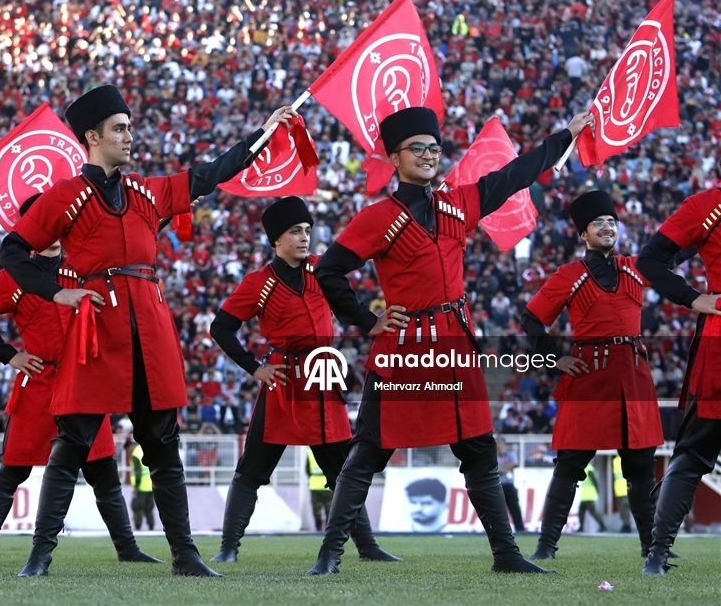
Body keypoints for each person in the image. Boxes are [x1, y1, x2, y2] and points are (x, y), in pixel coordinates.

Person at [0, 84, 295, 577]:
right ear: (92, 136)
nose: (129, 136)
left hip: (149, 331)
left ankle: (186, 556)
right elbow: (12, 251)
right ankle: (38, 558)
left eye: (130, 127)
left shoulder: (146, 191)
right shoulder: (64, 196)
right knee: (71, 445)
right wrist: (57, 293)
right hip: (96, 330)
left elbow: (210, 173)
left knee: (163, 447)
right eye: (119, 129)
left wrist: (263, 135)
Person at [306, 107, 593, 576]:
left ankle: (506, 555)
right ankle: (329, 556)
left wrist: (565, 135)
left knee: (479, 449)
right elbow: (329, 270)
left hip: (456, 346)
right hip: (404, 350)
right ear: (395, 158)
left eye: (434, 148)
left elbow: (513, 175)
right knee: (368, 453)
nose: (427, 155)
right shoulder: (377, 217)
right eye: (416, 148)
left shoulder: (460, 202)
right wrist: (365, 319)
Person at [0, 193, 158, 565]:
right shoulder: (13, 276)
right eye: (38, 221)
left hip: (83, 384)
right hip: (39, 386)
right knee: (12, 471)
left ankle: (128, 551)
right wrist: (10, 355)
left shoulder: (81, 269)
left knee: (103, 473)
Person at [207, 197, 398, 563]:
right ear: (276, 240)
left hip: (322, 380)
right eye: (295, 231)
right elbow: (222, 327)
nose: (304, 238)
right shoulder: (258, 282)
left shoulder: (322, 271)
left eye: (307, 231)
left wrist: (370, 321)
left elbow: (346, 305)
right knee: (252, 470)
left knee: (342, 472)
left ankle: (368, 548)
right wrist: (254, 368)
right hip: (282, 384)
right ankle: (228, 548)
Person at [522, 191, 666, 559]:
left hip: (632, 374)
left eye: (612, 222)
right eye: (598, 223)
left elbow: (674, 252)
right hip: (589, 374)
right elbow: (531, 319)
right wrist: (556, 358)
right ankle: (545, 547)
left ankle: (653, 547)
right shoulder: (568, 275)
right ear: (583, 235)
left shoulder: (637, 266)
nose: (607, 227)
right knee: (570, 463)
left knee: (640, 466)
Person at [636, 187, 721, 574]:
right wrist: (692, 297)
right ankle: (657, 554)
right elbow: (650, 260)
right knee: (695, 452)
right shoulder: (707, 205)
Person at [497, 440, 524, 533]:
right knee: (499, 510)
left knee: (515, 507)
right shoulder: (494, 456)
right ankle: (501, 530)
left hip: (509, 485)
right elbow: (497, 469)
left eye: (500, 445)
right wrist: (507, 466)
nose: (499, 448)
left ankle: (520, 529)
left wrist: (502, 468)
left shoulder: (510, 454)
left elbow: (514, 463)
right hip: (499, 486)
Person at [130, 442, 156, 530]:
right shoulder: (146, 449)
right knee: (149, 508)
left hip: (141, 487)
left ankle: (138, 526)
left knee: (137, 507)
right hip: (151, 485)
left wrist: (136, 487)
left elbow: (138, 472)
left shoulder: (136, 454)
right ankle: (151, 526)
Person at [576, 462, 607, 532]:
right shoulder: (585, 469)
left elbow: (595, 481)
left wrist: (597, 491)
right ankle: (581, 527)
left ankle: (602, 525)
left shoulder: (589, 469)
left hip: (589, 495)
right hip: (584, 495)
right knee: (581, 511)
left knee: (593, 511)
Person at [308, 449, 332, 531]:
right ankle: (328, 531)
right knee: (329, 510)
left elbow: (307, 470)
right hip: (328, 486)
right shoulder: (331, 451)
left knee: (317, 511)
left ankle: (318, 530)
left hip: (315, 486)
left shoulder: (310, 453)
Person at [614, 455, 632, 533]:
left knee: (625, 509)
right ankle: (625, 524)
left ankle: (627, 525)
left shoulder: (625, 459)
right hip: (619, 490)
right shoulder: (616, 460)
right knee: (622, 509)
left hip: (625, 489)